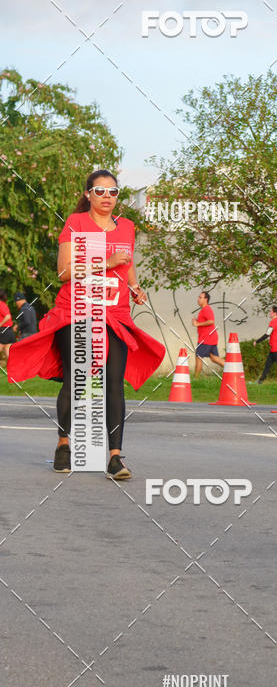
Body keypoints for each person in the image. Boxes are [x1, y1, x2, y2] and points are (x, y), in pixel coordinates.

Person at [8, 169, 165, 478]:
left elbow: (128, 266)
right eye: (100, 191)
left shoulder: (127, 227)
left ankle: (115, 457)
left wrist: (135, 288)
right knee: (77, 380)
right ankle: (63, 445)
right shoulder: (76, 223)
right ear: (88, 194)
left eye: (113, 192)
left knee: (114, 383)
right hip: (77, 310)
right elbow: (63, 272)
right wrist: (106, 263)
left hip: (115, 314)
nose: (107, 197)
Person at [253, 305, 277, 383]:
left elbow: (267, 334)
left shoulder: (274, 322)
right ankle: (260, 381)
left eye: (271, 311)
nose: (270, 313)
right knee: (267, 365)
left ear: (274, 313)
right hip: (276, 348)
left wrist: (257, 341)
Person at [193, 291, 225, 376]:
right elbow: (206, 322)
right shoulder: (204, 310)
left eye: (200, 297)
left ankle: (195, 378)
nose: (198, 299)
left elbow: (211, 321)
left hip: (206, 338)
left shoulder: (206, 309)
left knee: (199, 357)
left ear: (206, 299)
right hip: (211, 337)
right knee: (214, 358)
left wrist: (197, 324)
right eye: (198, 297)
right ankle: (233, 370)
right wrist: (196, 321)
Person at [0, 289, 16, 360]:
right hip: (9, 330)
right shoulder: (3, 304)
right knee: (8, 353)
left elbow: (8, 316)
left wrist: (0, 324)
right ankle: (13, 367)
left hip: (4, 330)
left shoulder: (0, 304)